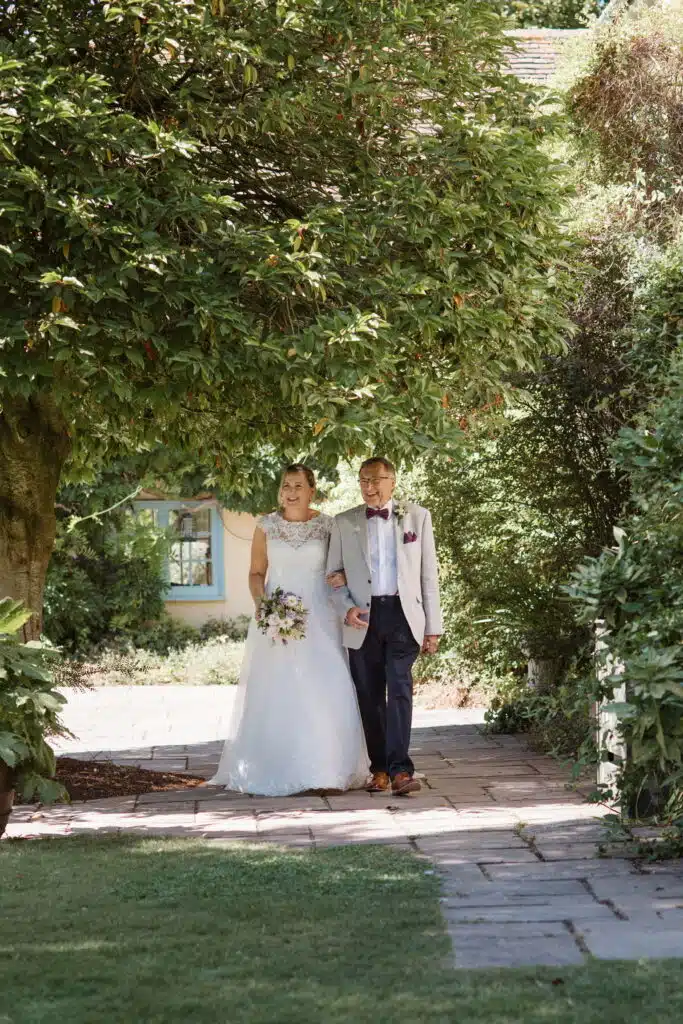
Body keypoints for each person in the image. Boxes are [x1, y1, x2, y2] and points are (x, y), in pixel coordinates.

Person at [209, 465, 368, 796]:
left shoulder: (328, 526)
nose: (291, 492)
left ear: (312, 490)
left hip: (321, 616)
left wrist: (345, 582)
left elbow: (343, 568)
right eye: (286, 486)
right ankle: (276, 766)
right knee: (278, 688)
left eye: (298, 486)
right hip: (276, 617)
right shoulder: (266, 526)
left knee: (326, 686)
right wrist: (264, 606)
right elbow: (256, 573)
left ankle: (327, 770)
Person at [326, 457, 442, 796]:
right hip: (362, 617)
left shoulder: (417, 516)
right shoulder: (343, 522)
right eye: (363, 480)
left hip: (404, 615)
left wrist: (433, 626)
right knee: (369, 694)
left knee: (400, 688)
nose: (369, 487)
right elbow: (332, 576)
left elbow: (428, 575)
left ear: (392, 481)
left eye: (376, 480)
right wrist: (346, 608)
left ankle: (401, 770)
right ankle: (378, 769)